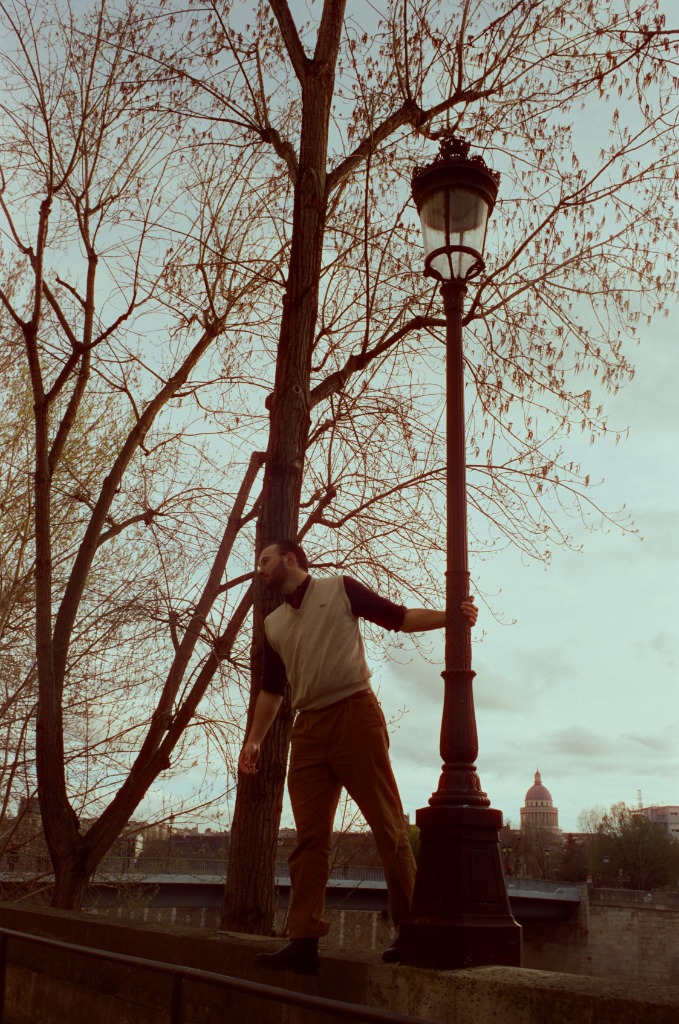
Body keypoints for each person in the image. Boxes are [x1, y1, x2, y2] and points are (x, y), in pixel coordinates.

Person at [239, 540, 478, 974]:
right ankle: (303, 941)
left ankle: (412, 929)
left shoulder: (339, 588)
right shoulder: (273, 624)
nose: (261, 570)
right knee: (309, 840)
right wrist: (254, 739)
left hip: (355, 715)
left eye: (265, 561)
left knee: (388, 827)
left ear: (290, 558)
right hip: (308, 729)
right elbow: (272, 691)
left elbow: (400, 619)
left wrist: (452, 619)